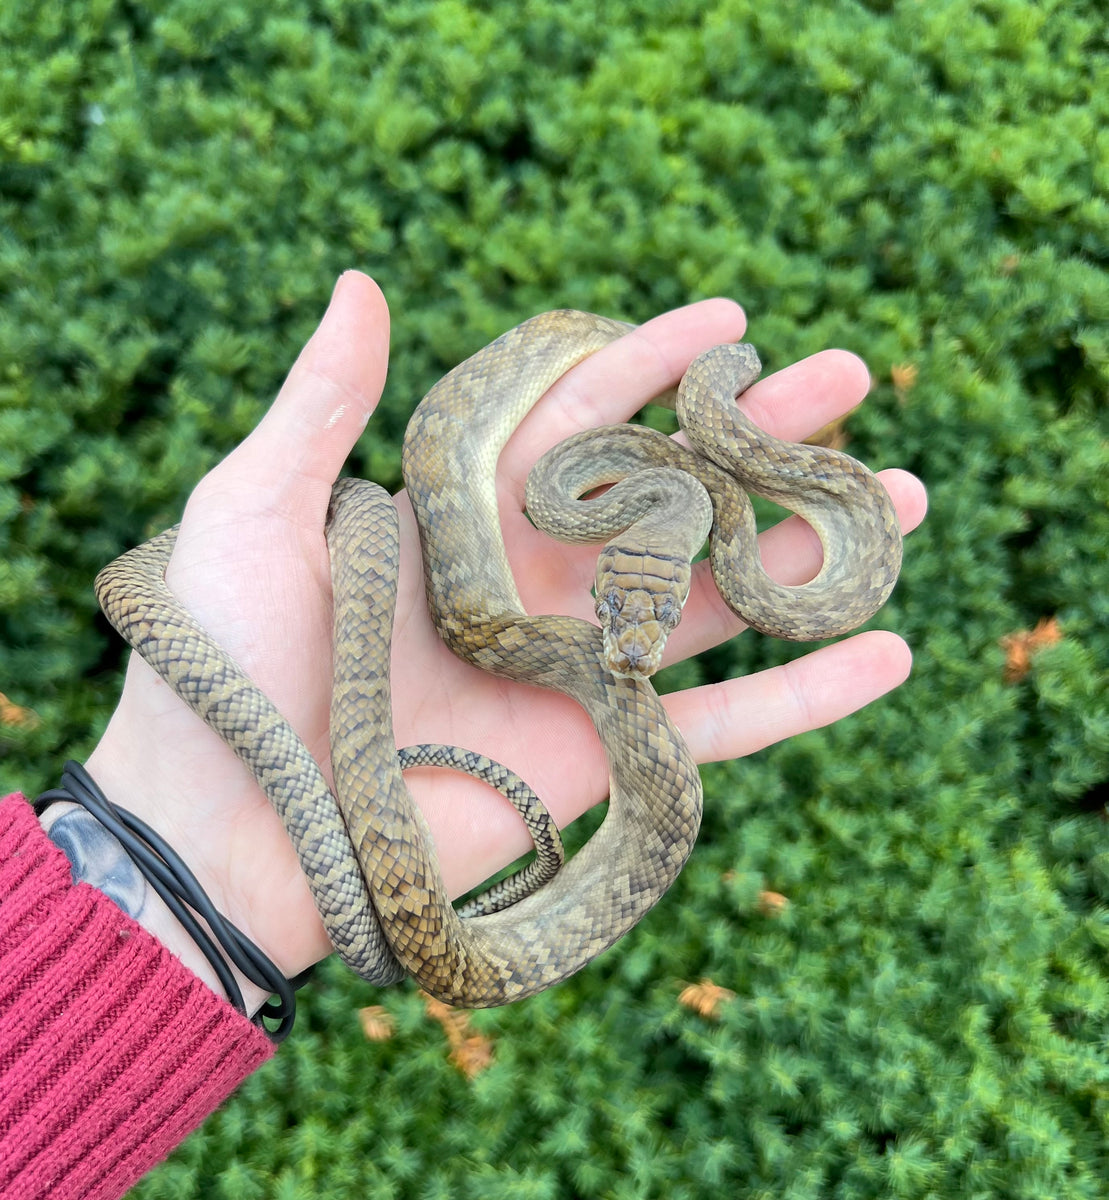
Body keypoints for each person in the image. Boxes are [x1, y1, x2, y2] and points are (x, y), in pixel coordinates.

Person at [0, 273, 927, 1198]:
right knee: (368, 515)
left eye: (642, 614)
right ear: (616, 563)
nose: (625, 649)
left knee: (374, 515)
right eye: (618, 611)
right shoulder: (570, 498)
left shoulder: (695, 518)